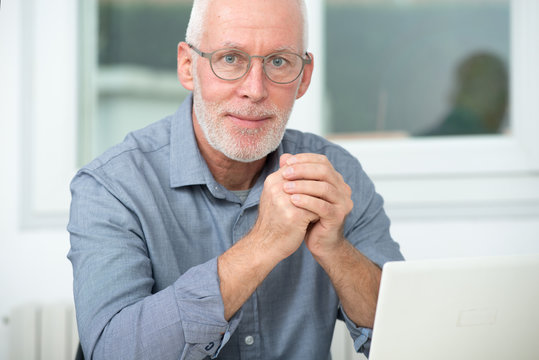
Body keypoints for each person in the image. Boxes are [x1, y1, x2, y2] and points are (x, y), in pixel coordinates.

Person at [67, 0, 404, 359]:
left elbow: (403, 334)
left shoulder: (335, 174)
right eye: (230, 59)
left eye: (278, 61)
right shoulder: (112, 187)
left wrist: (335, 250)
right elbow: (111, 352)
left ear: (304, 77)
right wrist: (263, 244)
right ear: (187, 66)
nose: (255, 90)